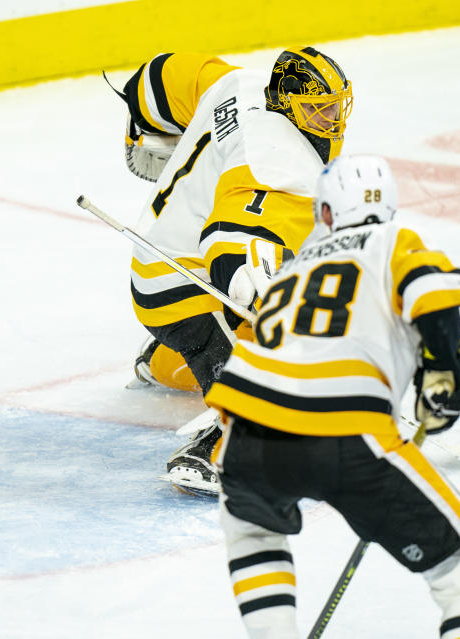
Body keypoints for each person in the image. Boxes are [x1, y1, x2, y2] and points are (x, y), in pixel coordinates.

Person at [204, 154, 460, 638]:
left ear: (324, 214)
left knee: (254, 535)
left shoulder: (292, 271)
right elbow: (434, 293)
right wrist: (444, 370)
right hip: (345, 433)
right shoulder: (391, 241)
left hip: (247, 441)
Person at [114, 46, 353, 496]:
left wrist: (139, 127)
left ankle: (164, 363)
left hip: (163, 253)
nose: (330, 119)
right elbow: (229, 250)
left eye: (335, 106)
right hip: (180, 281)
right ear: (287, 103)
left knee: (242, 325)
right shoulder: (278, 163)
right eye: (316, 109)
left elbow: (162, 76)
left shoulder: (237, 83)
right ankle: (227, 445)